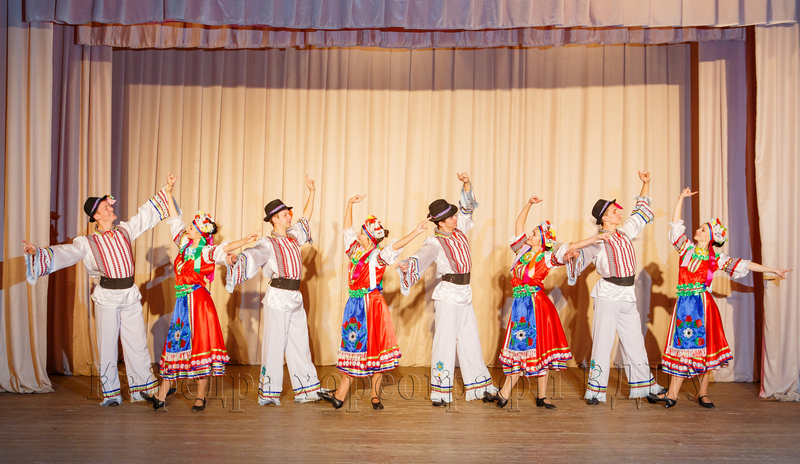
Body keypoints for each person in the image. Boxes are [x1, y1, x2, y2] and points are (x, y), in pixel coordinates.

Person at [23, 173, 176, 406]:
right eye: (105, 208)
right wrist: (39, 252)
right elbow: (66, 253)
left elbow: (144, 216)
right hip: (108, 297)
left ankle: (142, 389)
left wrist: (167, 190)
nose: (110, 209)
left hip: (129, 294)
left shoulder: (125, 230)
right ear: (96, 216)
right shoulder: (87, 242)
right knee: (107, 346)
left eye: (109, 206)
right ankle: (111, 393)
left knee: (137, 343)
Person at [648, 188, 792, 408]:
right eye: (699, 227)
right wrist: (680, 199)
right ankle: (672, 394)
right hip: (684, 305)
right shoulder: (685, 248)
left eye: (703, 229)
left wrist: (773, 270)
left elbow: (745, 264)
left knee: (706, 349)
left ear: (712, 237)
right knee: (683, 347)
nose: (698, 230)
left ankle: (702, 393)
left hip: (703, 306)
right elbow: (676, 225)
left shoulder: (716, 258)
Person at [149, 178, 260, 411]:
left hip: (199, 303)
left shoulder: (206, 251)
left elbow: (224, 249)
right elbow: (174, 221)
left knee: (200, 346)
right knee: (175, 344)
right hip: (183, 302)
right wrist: (168, 192)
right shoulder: (184, 244)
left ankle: (200, 396)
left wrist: (245, 240)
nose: (187, 229)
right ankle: (161, 393)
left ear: (199, 232)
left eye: (192, 227)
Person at [558, 171, 664, 404]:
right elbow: (575, 256)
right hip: (608, 294)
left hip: (627, 293)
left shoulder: (625, 232)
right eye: (615, 211)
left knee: (635, 341)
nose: (619, 213)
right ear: (604, 218)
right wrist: (574, 254)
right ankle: (595, 391)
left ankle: (644, 387)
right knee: (603, 342)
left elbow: (640, 212)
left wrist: (645, 183)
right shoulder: (597, 241)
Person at [397, 172, 499, 406]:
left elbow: (467, 209)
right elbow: (422, 255)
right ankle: (440, 392)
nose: (455, 218)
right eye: (451, 217)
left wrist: (466, 183)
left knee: (470, 338)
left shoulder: (458, 229)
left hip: (465, 293)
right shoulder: (434, 242)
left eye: (454, 215)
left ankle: (480, 386)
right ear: (441, 222)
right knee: (445, 340)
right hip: (448, 293)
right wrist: (409, 264)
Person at [320, 195, 427, 410]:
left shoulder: (377, 256)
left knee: (372, 347)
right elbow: (347, 230)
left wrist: (416, 232)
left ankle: (365, 396)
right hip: (356, 304)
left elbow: (395, 246)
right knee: (355, 346)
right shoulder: (355, 251)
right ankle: (350, 395)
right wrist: (349, 204)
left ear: (369, 237)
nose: (357, 234)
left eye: (361, 232)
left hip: (371, 305)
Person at [225, 175, 323, 406]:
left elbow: (305, 218)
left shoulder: (294, 237)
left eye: (289, 214)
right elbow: (253, 254)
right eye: (285, 214)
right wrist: (236, 259)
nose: (290, 217)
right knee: (275, 345)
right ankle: (269, 393)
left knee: (300, 342)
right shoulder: (267, 243)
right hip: (278, 297)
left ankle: (307, 390)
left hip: (295, 296)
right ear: (275, 219)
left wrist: (312, 193)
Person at [483, 196, 573, 409]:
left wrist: (593, 240)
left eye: (533, 234)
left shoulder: (546, 258)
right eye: (531, 233)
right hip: (522, 306)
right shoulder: (522, 251)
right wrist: (529, 204)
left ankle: (516, 394)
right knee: (524, 347)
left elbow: (569, 248)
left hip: (536, 306)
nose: (529, 235)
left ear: (541, 241)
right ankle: (520, 394)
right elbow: (518, 223)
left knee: (529, 347)